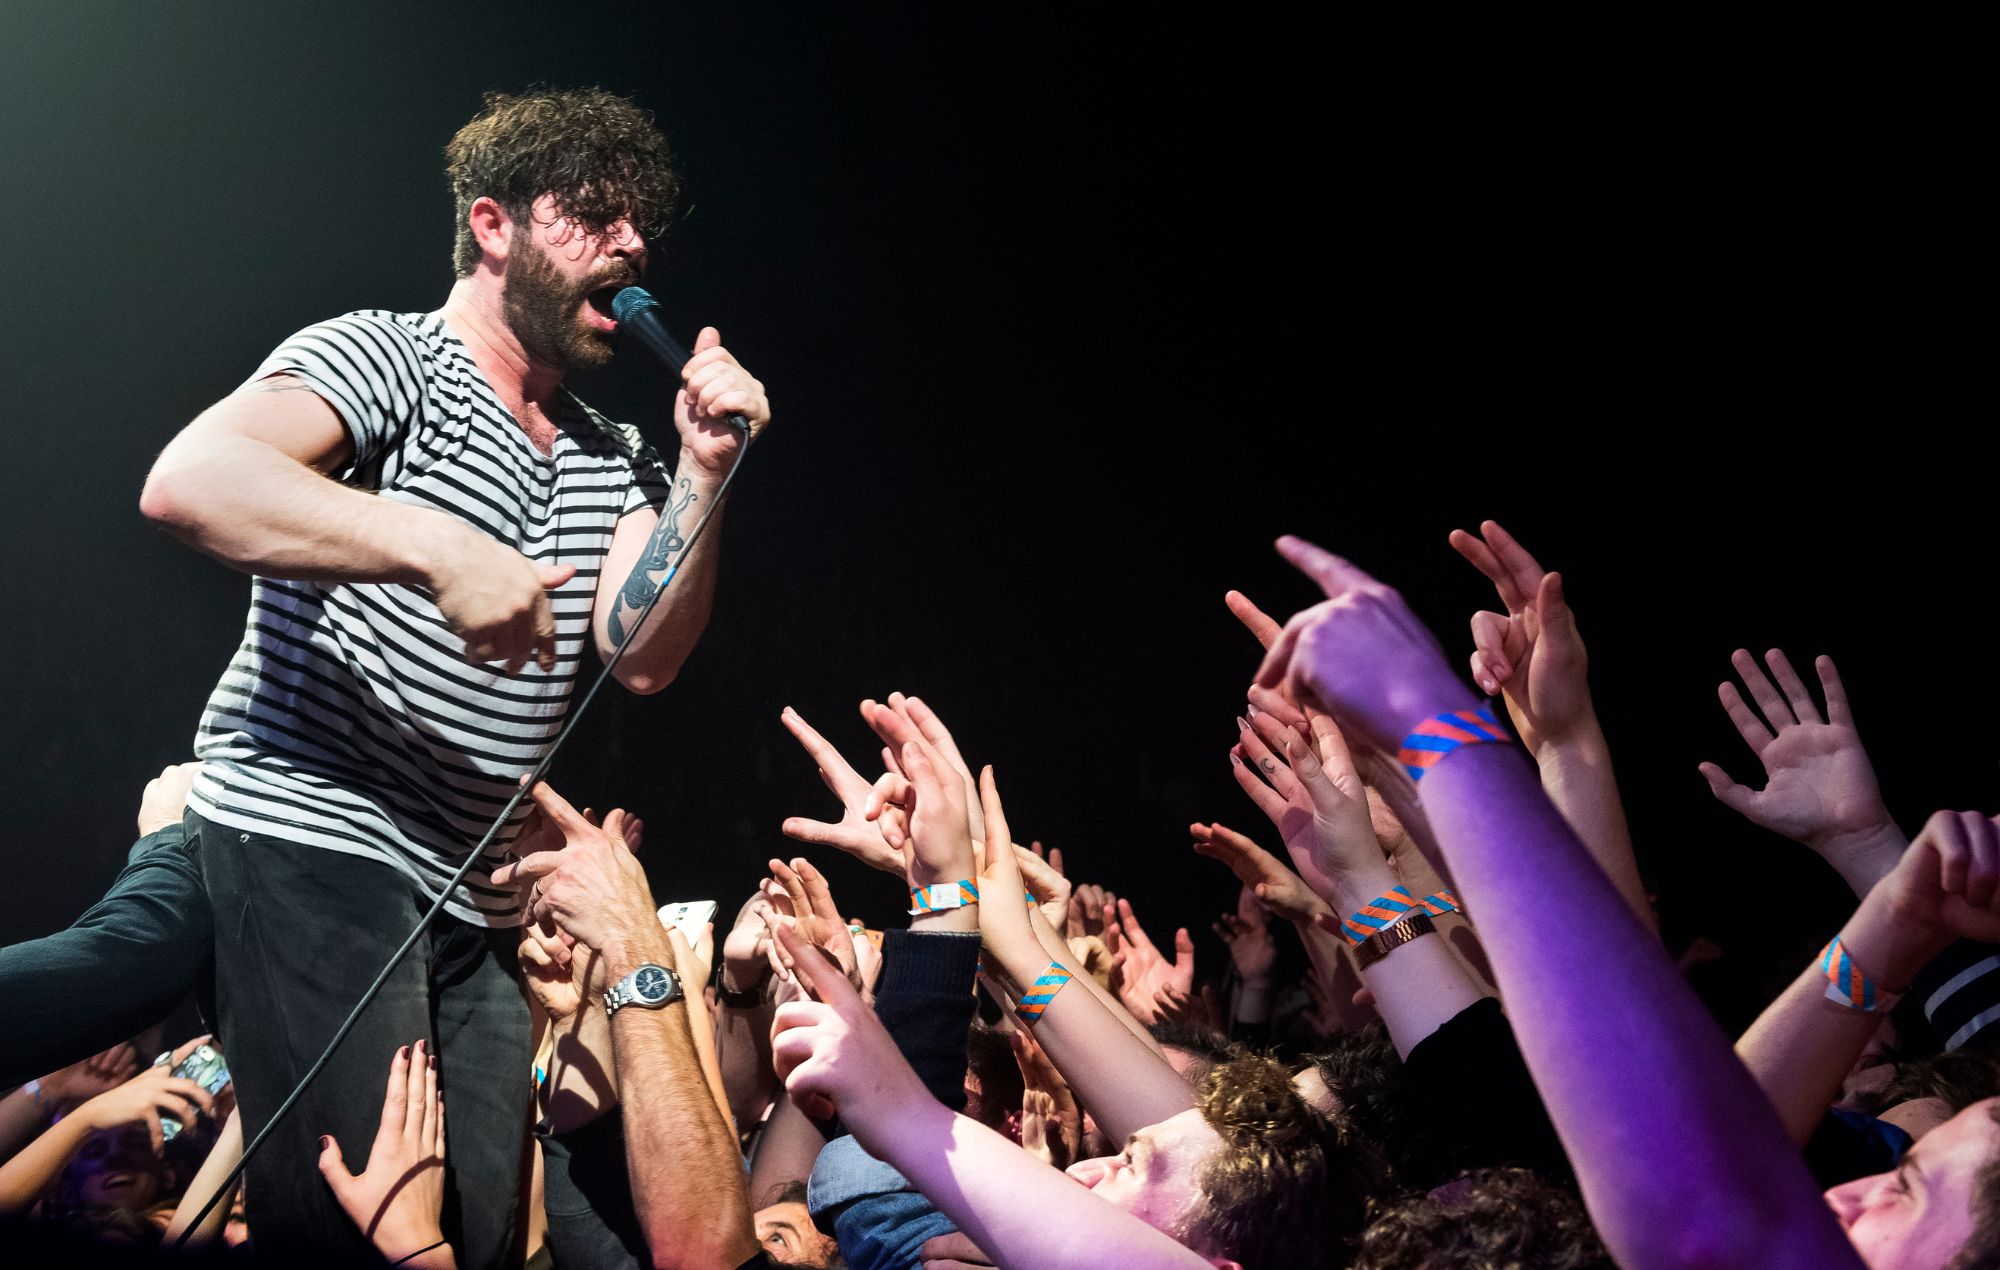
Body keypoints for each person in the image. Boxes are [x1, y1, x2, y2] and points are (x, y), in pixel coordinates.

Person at [137, 86, 772, 1264]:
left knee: (468, 1239)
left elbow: (645, 657)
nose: (634, 245)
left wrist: (700, 473)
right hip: (318, 839)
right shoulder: (390, 357)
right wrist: (437, 543)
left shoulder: (611, 453)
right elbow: (190, 478)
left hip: (471, 904)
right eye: (597, 216)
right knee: (355, 1224)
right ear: (493, 225)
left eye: (643, 226)